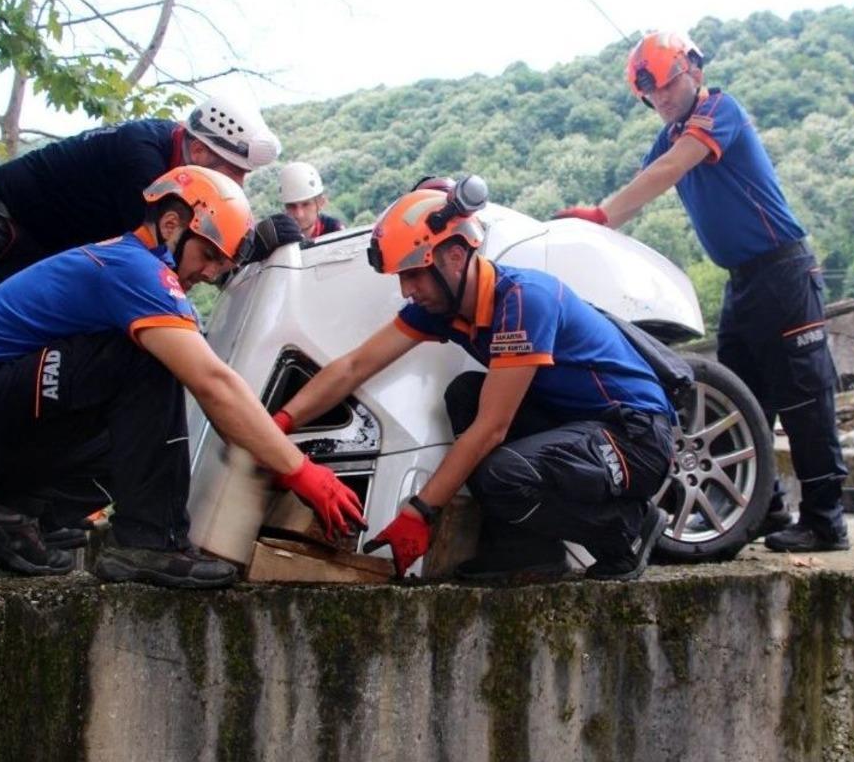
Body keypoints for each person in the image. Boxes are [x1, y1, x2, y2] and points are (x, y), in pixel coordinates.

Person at [0, 166, 365, 588]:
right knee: (156, 360)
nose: (207, 273)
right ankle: (151, 541)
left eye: (218, 264)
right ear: (171, 225)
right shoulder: (134, 271)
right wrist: (301, 471)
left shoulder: (140, 271)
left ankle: (12, 517)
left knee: (137, 443)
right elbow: (213, 384)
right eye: (206, 255)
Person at [0, 95, 281, 532]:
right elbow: (161, 271)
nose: (238, 185)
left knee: (90, 365)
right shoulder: (143, 161)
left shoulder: (163, 158)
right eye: (233, 173)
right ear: (199, 152)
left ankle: (12, 503)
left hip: (33, 238)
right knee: (21, 359)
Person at [272, 179, 675, 581]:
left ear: (454, 254)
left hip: (634, 439)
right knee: (466, 394)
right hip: (579, 425)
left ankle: (627, 530)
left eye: (414, 274)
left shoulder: (522, 301)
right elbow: (355, 366)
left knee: (500, 471)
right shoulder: (444, 308)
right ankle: (529, 551)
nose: (407, 290)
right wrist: (277, 427)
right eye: (401, 278)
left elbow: (491, 430)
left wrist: (420, 513)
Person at [556, 31, 849, 553]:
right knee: (739, 404)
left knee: (805, 398)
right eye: (651, 95)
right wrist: (589, 233)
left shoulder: (719, 110)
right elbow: (646, 178)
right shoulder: (668, 136)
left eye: (667, 86)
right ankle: (764, 509)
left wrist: (602, 215)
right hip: (743, 281)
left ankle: (827, 521)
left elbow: (670, 170)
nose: (661, 100)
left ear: (693, 70)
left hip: (784, 270)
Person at [278, 161, 346, 240]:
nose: (299, 214)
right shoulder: (278, 237)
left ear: (321, 203)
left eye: (306, 204)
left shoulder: (334, 230)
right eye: (292, 206)